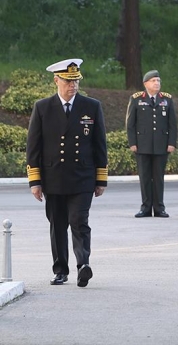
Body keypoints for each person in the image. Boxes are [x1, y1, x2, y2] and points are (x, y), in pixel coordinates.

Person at [26, 58, 107, 287]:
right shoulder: (43, 108)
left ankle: (83, 264)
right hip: (53, 178)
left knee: (79, 220)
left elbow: (100, 144)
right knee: (58, 224)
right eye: (68, 81)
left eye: (76, 81)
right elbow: (33, 147)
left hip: (82, 177)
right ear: (56, 80)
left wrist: (100, 179)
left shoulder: (92, 106)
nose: (73, 86)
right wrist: (35, 181)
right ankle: (61, 269)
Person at [126, 70, 177, 218]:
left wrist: (171, 142)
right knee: (145, 177)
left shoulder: (167, 99)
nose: (157, 83)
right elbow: (130, 124)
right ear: (146, 83)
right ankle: (145, 207)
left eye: (158, 81)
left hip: (161, 144)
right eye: (153, 81)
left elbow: (172, 124)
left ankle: (159, 207)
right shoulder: (136, 99)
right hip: (142, 144)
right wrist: (132, 142)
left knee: (158, 177)